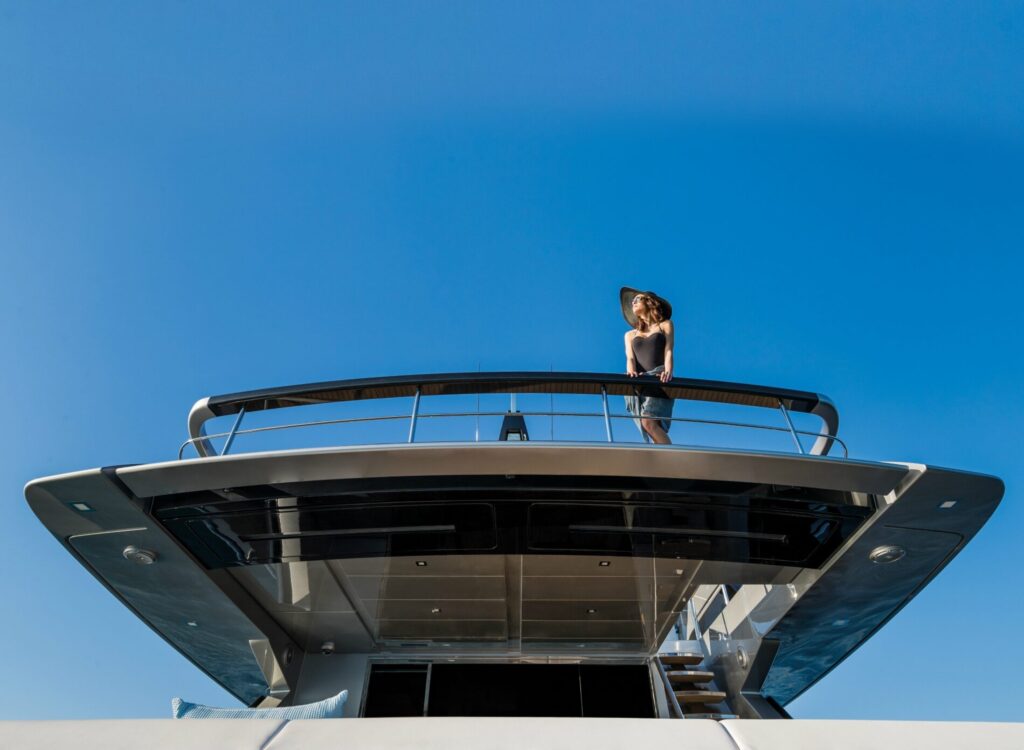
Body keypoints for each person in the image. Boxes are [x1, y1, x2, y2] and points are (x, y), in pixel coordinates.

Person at [620, 287, 675, 444]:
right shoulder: (629, 335)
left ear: (650, 302)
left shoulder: (665, 325)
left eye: (638, 299)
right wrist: (631, 374)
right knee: (650, 426)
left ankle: (671, 461)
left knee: (648, 422)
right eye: (632, 301)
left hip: (659, 378)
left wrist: (668, 371)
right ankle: (664, 463)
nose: (634, 302)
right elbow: (630, 358)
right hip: (641, 383)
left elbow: (669, 350)